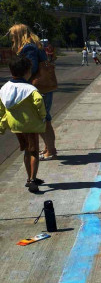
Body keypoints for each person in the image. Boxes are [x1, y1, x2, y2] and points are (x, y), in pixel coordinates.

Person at [8, 24, 57, 160]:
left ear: (19, 34)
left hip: (39, 87)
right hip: (43, 87)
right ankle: (48, 148)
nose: (11, 38)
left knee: (44, 119)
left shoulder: (28, 47)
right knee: (44, 119)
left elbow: (32, 67)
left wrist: (22, 82)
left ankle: (51, 150)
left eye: (13, 35)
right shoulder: (34, 44)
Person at [0, 57, 47, 193]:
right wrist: (43, 116)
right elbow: (39, 102)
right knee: (34, 152)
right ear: (27, 72)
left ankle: (28, 177)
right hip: (30, 125)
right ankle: (32, 180)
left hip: (16, 126)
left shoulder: (4, 88)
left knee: (26, 150)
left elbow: (1, 109)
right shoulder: (30, 89)